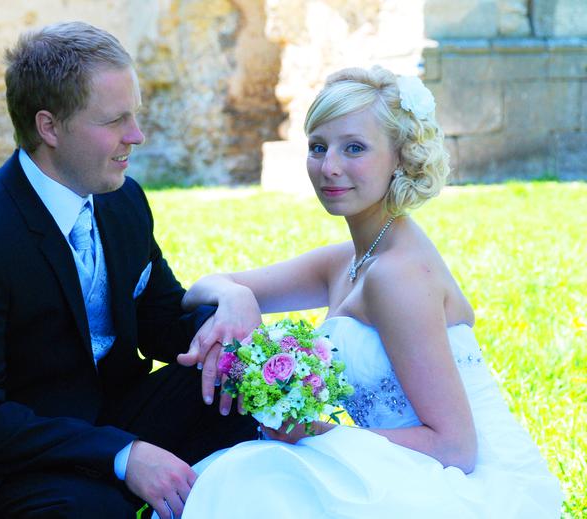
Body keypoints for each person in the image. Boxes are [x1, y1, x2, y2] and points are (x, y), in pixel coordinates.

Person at [0, 21, 255, 519]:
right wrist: (122, 454)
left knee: (234, 387)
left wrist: (227, 322)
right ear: (49, 127)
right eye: (115, 120)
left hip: (98, 413)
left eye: (135, 115)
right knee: (90, 507)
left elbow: (162, 322)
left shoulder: (122, 200)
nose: (136, 135)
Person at [174, 66, 564, 517]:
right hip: (399, 462)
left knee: (257, 479)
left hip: (460, 483)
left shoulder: (397, 275)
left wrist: (315, 433)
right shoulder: (352, 259)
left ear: (400, 157)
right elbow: (199, 290)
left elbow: (455, 447)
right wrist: (237, 297)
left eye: (354, 148)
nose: (329, 167)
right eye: (318, 147)